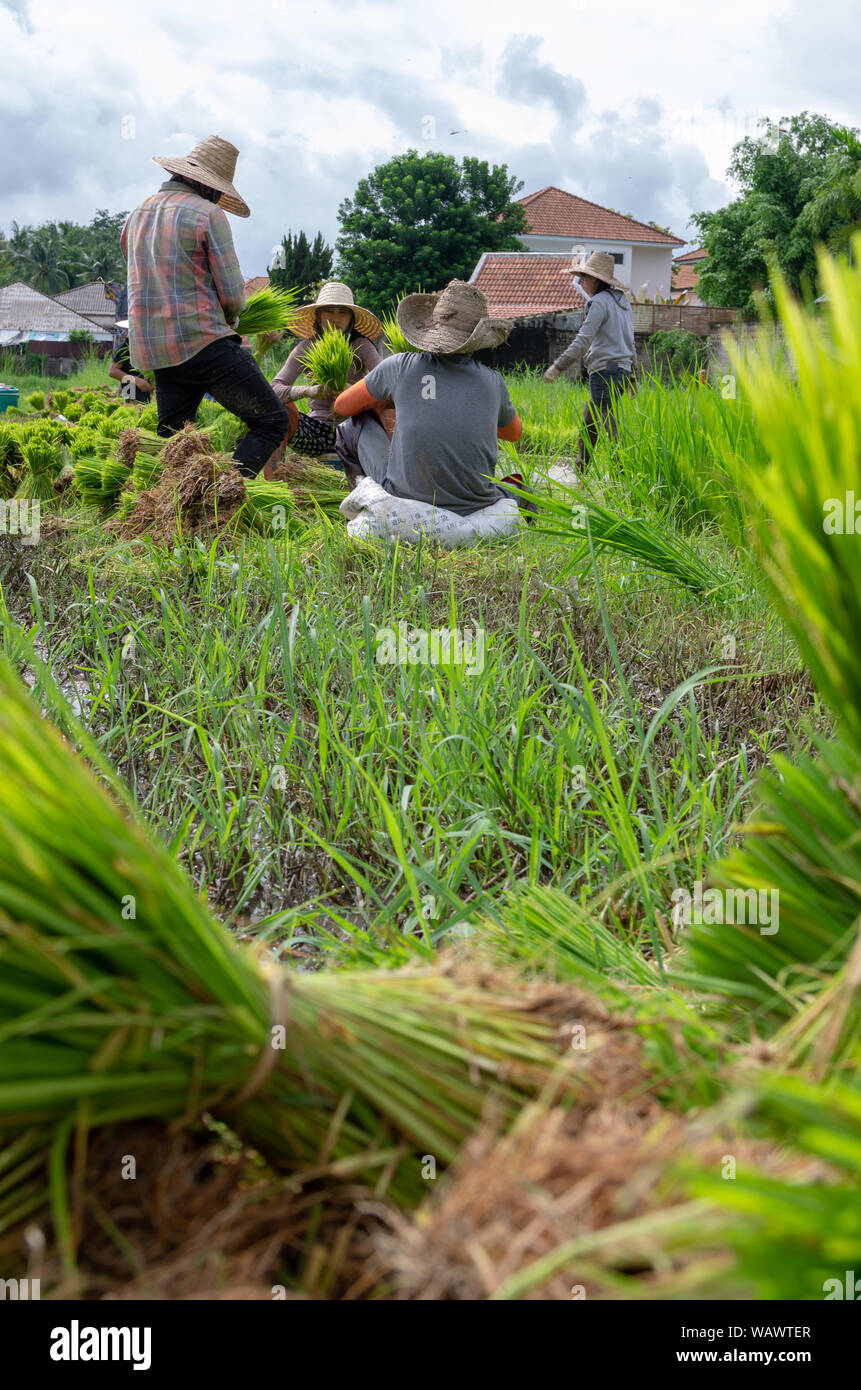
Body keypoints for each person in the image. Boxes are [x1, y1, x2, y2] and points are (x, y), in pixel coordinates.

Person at [120, 135, 295, 477]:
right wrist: (232, 320)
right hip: (203, 342)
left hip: (156, 351)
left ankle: (174, 511)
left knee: (175, 441)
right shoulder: (207, 214)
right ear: (209, 186)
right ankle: (221, 495)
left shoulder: (136, 214)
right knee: (271, 421)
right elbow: (231, 294)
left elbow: (138, 271)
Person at [331, 281, 523, 513]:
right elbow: (513, 434)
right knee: (518, 487)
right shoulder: (493, 381)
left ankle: (371, 501)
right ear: (478, 339)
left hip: (402, 497)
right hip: (475, 503)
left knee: (352, 426)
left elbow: (341, 406)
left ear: (431, 327)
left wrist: (389, 401)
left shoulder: (399, 366)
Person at [268, 282, 384, 461]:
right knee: (277, 412)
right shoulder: (307, 347)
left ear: (351, 319)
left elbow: (387, 385)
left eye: (343, 312)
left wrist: (353, 390)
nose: (335, 318)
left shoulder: (360, 346)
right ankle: (276, 474)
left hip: (356, 428)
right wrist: (309, 391)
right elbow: (274, 388)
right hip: (318, 431)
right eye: (329, 311)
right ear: (319, 316)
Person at [543, 251, 635, 469]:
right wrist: (632, 375)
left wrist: (558, 366)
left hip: (604, 371)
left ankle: (621, 472)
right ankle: (581, 469)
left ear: (595, 279)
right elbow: (630, 340)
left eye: (583, 278)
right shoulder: (622, 301)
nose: (581, 283)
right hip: (621, 370)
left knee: (607, 420)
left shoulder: (599, 302)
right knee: (590, 420)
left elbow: (583, 340)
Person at [108, 303, 152, 402]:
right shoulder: (125, 347)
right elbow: (112, 371)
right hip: (130, 390)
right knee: (132, 410)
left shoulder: (143, 347)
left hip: (145, 392)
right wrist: (136, 381)